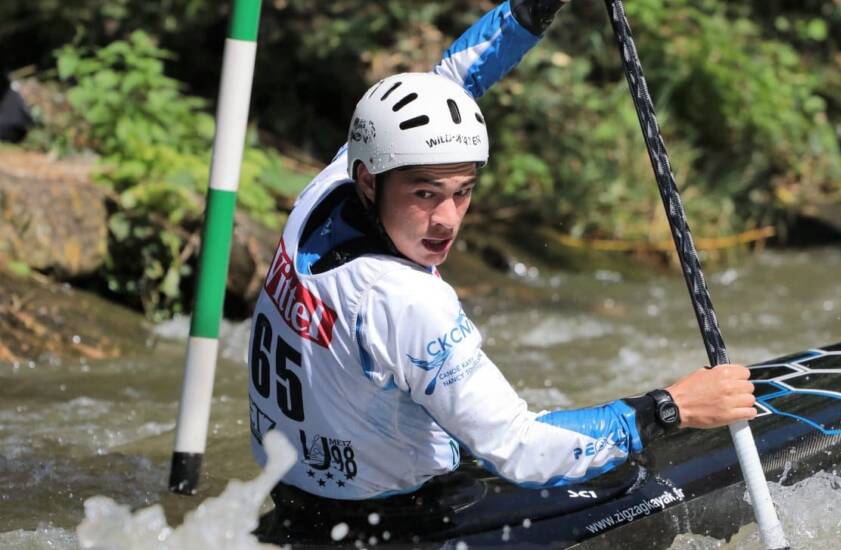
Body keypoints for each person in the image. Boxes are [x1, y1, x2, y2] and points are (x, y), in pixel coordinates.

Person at [250, 0, 756, 542]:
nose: (446, 221)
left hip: (294, 503)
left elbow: (452, 80)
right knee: (622, 474)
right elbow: (521, 450)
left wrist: (529, 12)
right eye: (425, 194)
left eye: (462, 192)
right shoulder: (405, 300)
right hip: (398, 525)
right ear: (371, 181)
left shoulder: (327, 189)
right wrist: (669, 409)